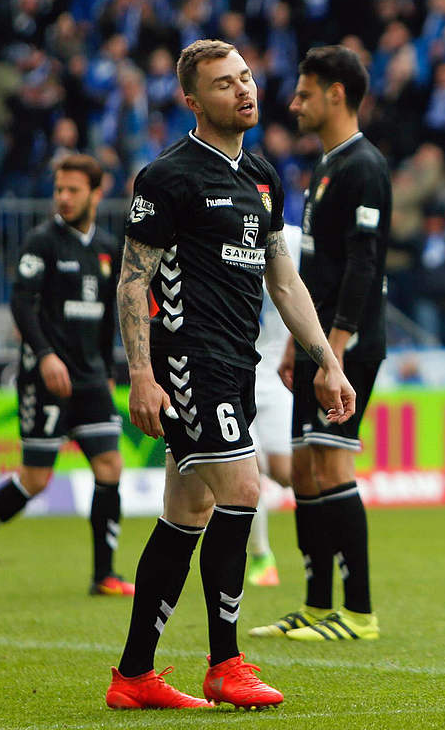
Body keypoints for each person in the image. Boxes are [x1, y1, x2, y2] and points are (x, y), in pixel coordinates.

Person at [107, 39, 355, 710]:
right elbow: (133, 282)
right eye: (223, 84)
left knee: (187, 512)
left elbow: (282, 276)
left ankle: (133, 676)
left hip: (236, 363)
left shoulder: (263, 176)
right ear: (193, 100)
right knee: (243, 488)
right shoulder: (169, 176)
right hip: (189, 358)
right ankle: (226, 662)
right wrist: (141, 373)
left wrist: (326, 362)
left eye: (245, 77)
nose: (243, 90)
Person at [249, 45, 390, 642]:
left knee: (331, 463)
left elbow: (363, 267)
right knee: (306, 469)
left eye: (304, 93)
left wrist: (331, 351)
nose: (293, 103)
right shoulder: (327, 167)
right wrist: (295, 344)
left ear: (336, 94)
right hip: (317, 344)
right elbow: (313, 269)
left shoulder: (364, 167)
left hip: (348, 342)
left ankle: (358, 612)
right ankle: (314, 605)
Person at [0, 155, 130, 602]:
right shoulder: (41, 242)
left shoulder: (107, 247)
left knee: (110, 466)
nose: (63, 198)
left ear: (96, 194)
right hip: (45, 378)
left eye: (73, 190)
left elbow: (108, 318)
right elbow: (22, 305)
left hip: (90, 379)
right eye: (58, 189)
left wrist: (106, 371)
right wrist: (45, 356)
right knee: (36, 478)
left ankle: (103, 574)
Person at [244, 221, 303, 588]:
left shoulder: (294, 240)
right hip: (237, 373)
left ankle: (318, 547)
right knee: (248, 473)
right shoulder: (225, 235)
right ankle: (261, 555)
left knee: (285, 472)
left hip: (278, 372)